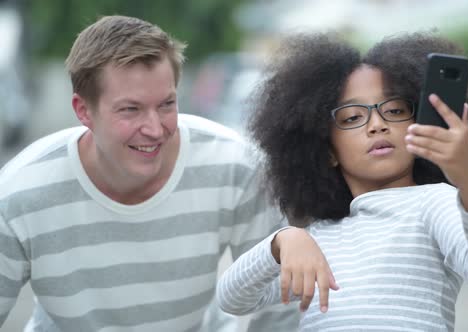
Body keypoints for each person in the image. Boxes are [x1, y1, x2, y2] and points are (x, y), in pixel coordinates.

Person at [0, 15, 300, 331]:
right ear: (83, 110)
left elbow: (281, 297)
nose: (155, 129)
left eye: (167, 104)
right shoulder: (19, 194)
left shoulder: (234, 164)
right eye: (130, 109)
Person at [216, 32, 468, 331]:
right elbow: (232, 298)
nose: (377, 125)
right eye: (352, 118)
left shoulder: (434, 203)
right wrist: (281, 242)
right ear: (326, 151)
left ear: (420, 126)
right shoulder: (315, 240)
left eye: (395, 110)